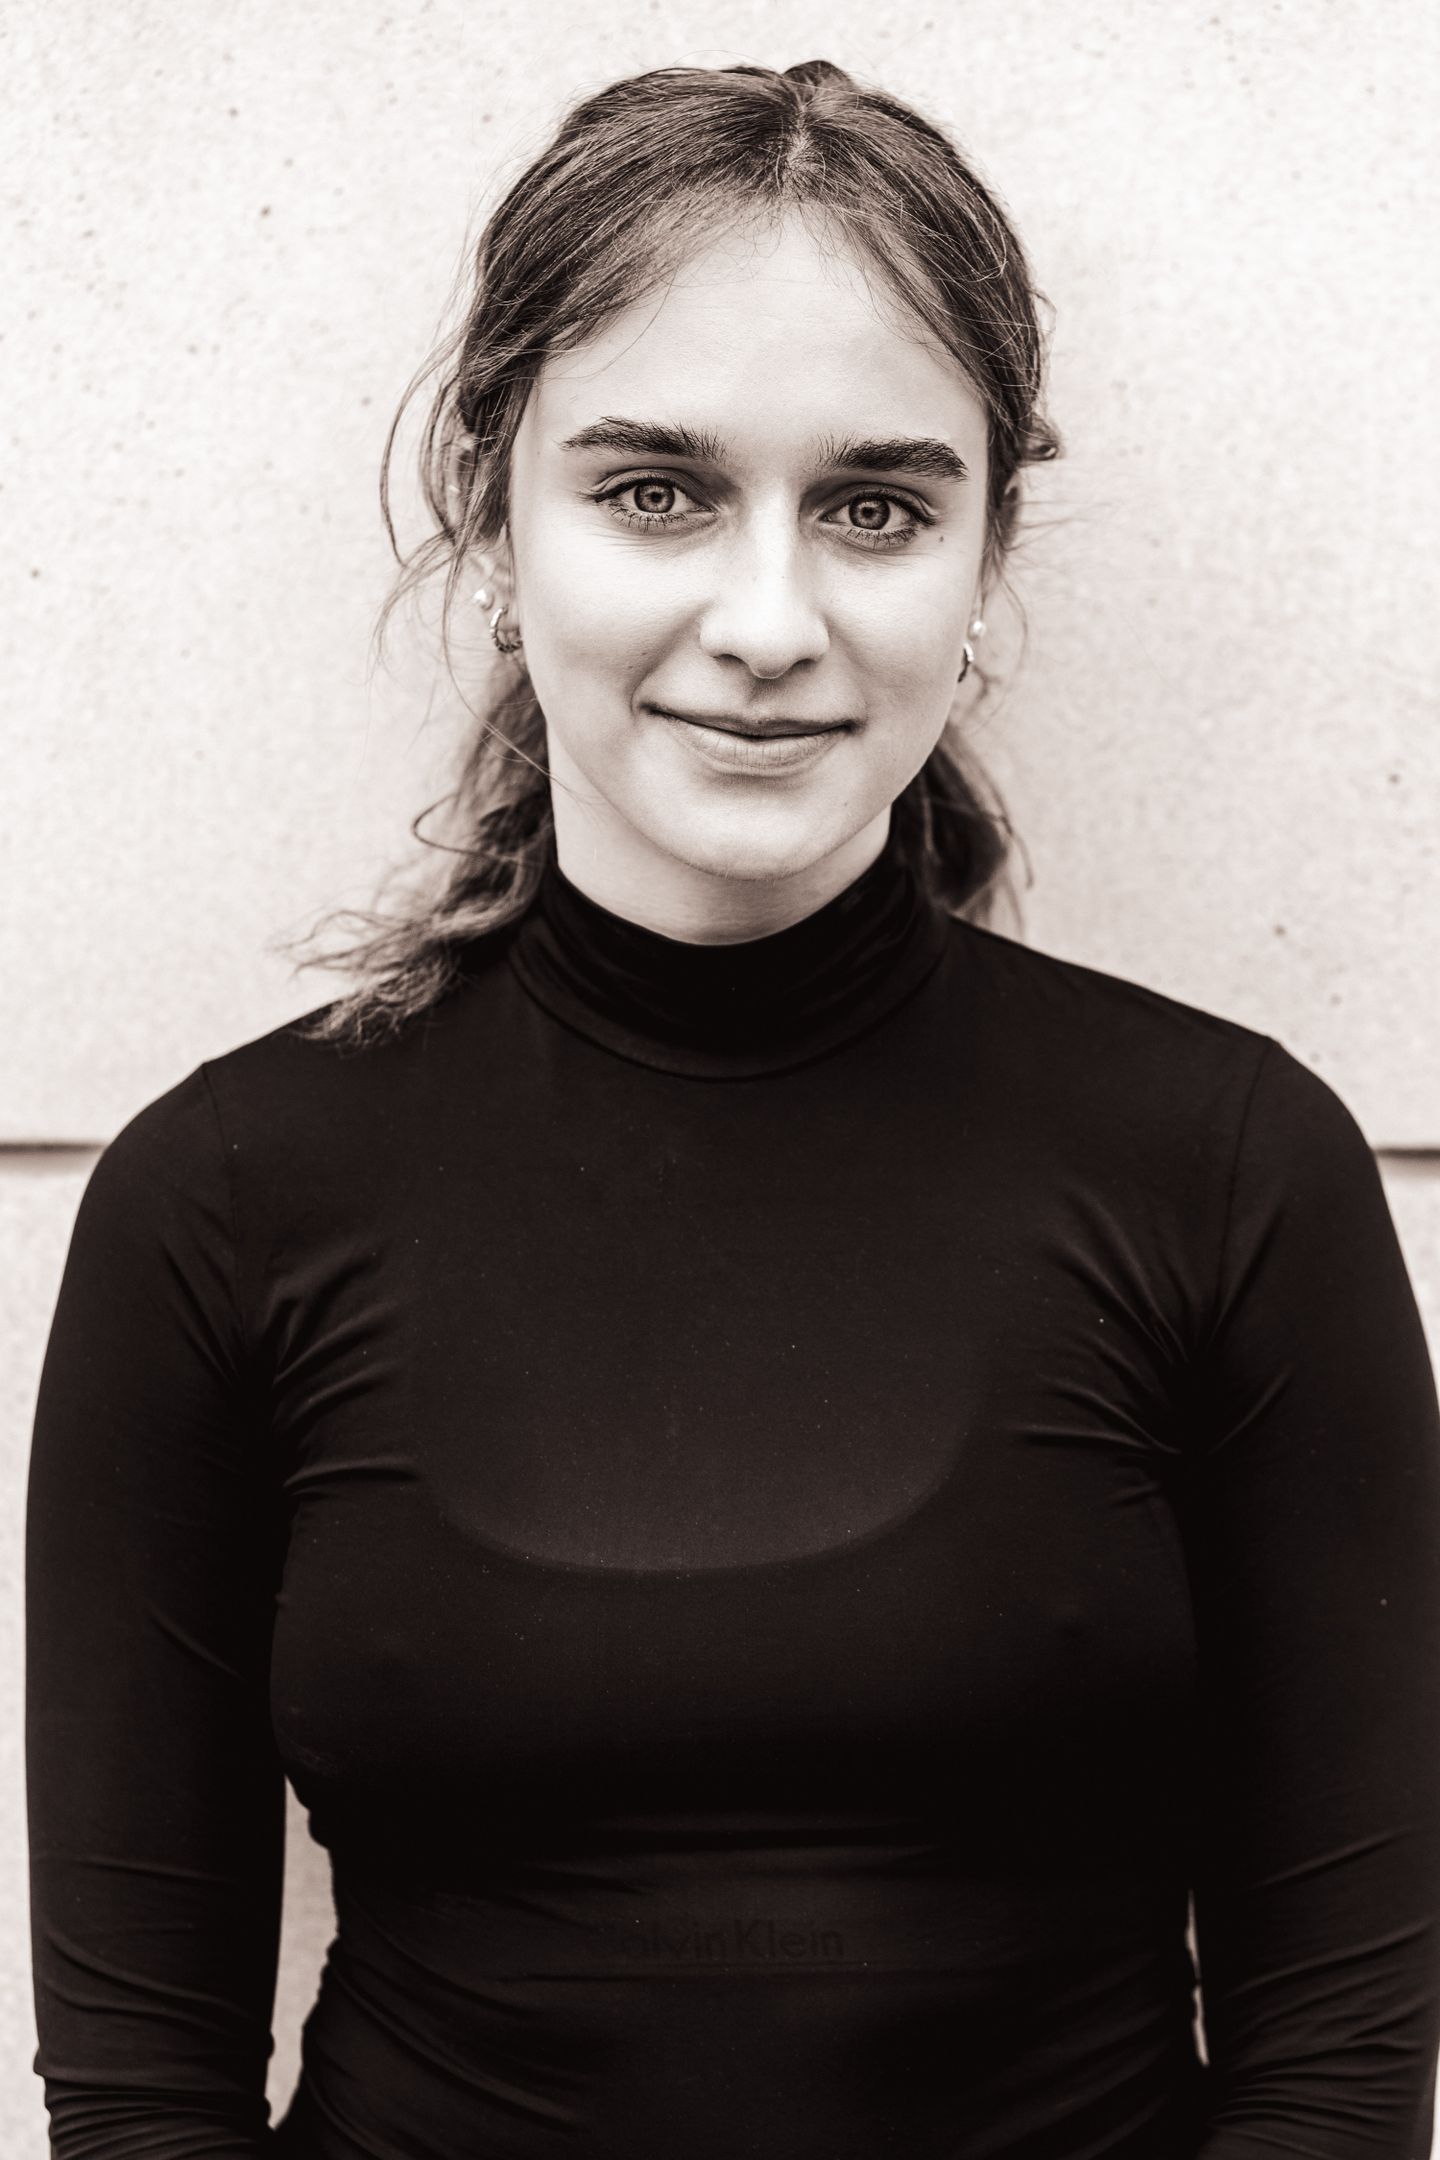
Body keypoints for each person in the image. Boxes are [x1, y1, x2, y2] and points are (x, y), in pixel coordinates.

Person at [24, 57, 1440, 2160]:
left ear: (984, 557)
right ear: (498, 513)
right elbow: (145, 2092)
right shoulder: (223, 1202)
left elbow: (1338, 2063)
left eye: (875, 506)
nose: (768, 623)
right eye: (657, 490)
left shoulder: (1232, 1174)